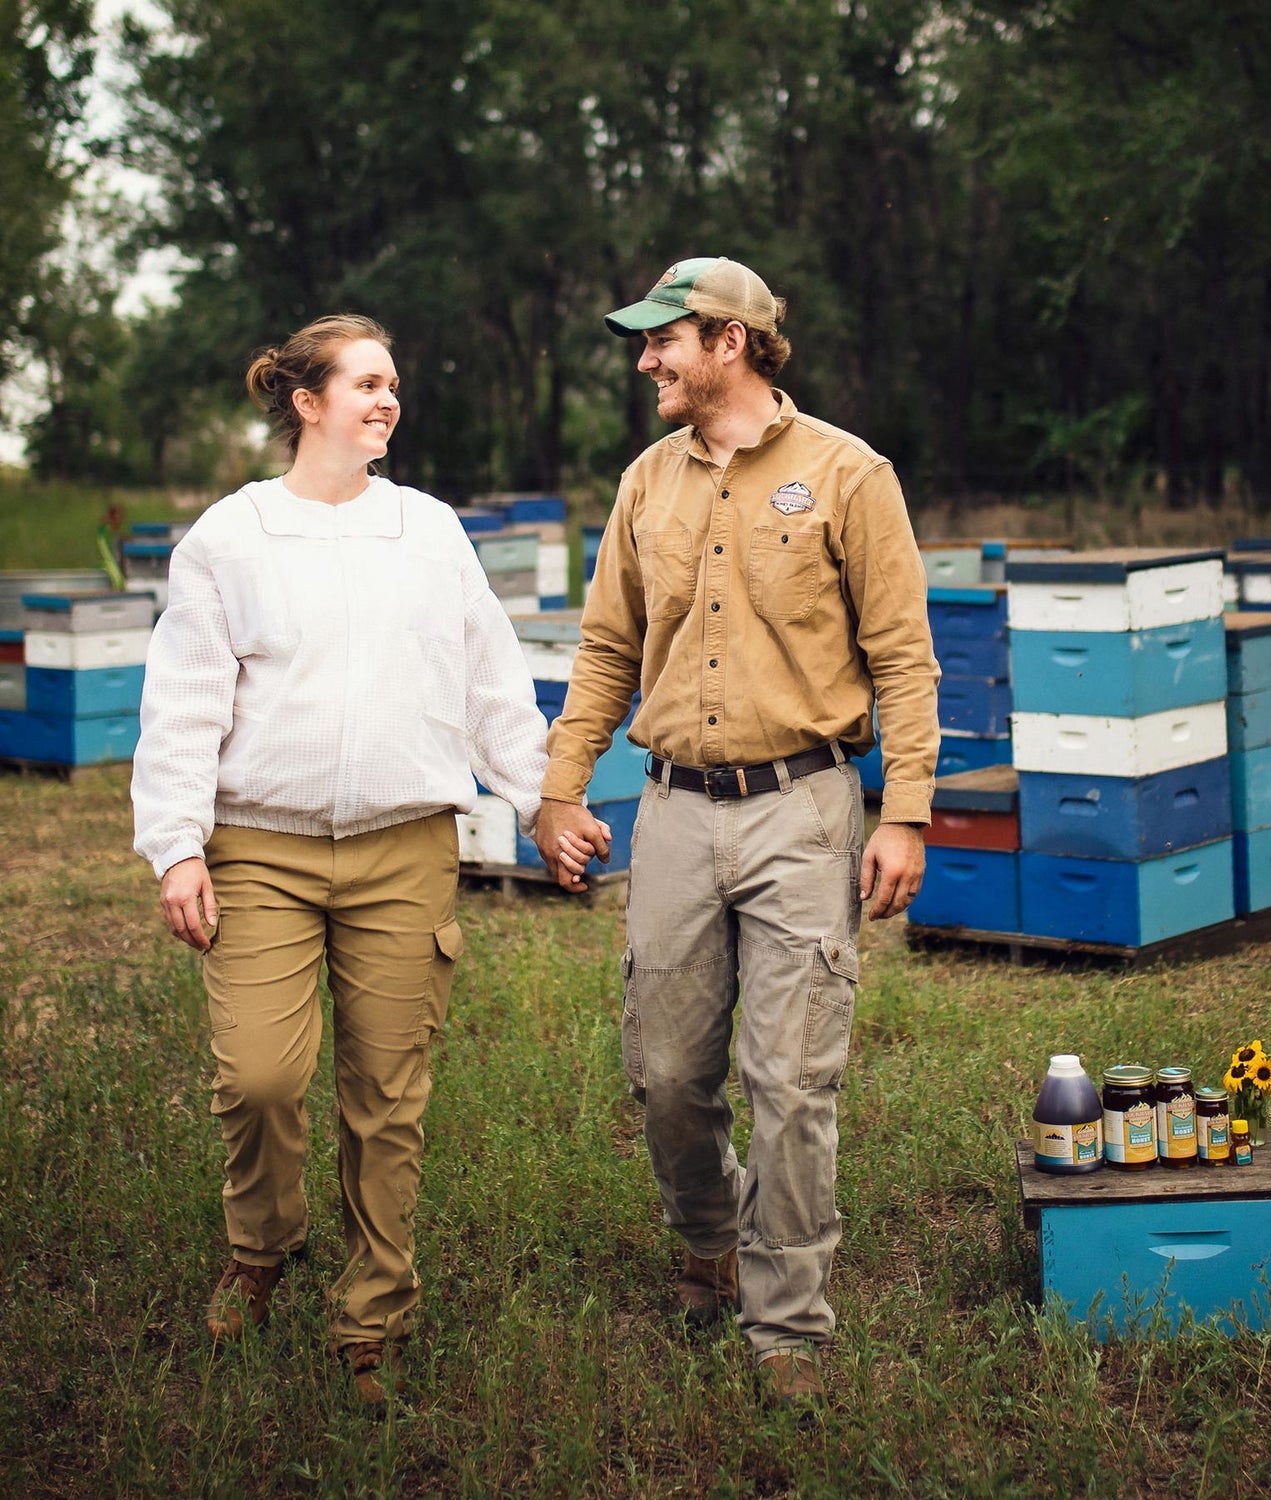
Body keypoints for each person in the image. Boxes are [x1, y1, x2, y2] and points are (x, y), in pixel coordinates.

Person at [132, 314, 603, 1406]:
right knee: (258, 1076)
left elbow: (490, 684)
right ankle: (263, 1244)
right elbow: (184, 708)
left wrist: (541, 801)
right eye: (368, 384)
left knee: (388, 1096)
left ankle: (372, 1316)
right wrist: (175, 849)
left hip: (404, 852)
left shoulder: (430, 532)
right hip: (262, 850)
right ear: (307, 402)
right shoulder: (229, 539)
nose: (388, 402)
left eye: (393, 386)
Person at [536, 257, 940, 1411]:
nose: (645, 360)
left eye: (662, 340)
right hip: (671, 810)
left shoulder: (849, 475)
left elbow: (903, 656)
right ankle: (710, 1235)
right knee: (666, 1075)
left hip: (805, 807)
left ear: (727, 342)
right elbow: (609, 648)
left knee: (792, 1079)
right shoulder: (645, 484)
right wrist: (565, 789)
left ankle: (789, 1327)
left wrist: (904, 812)